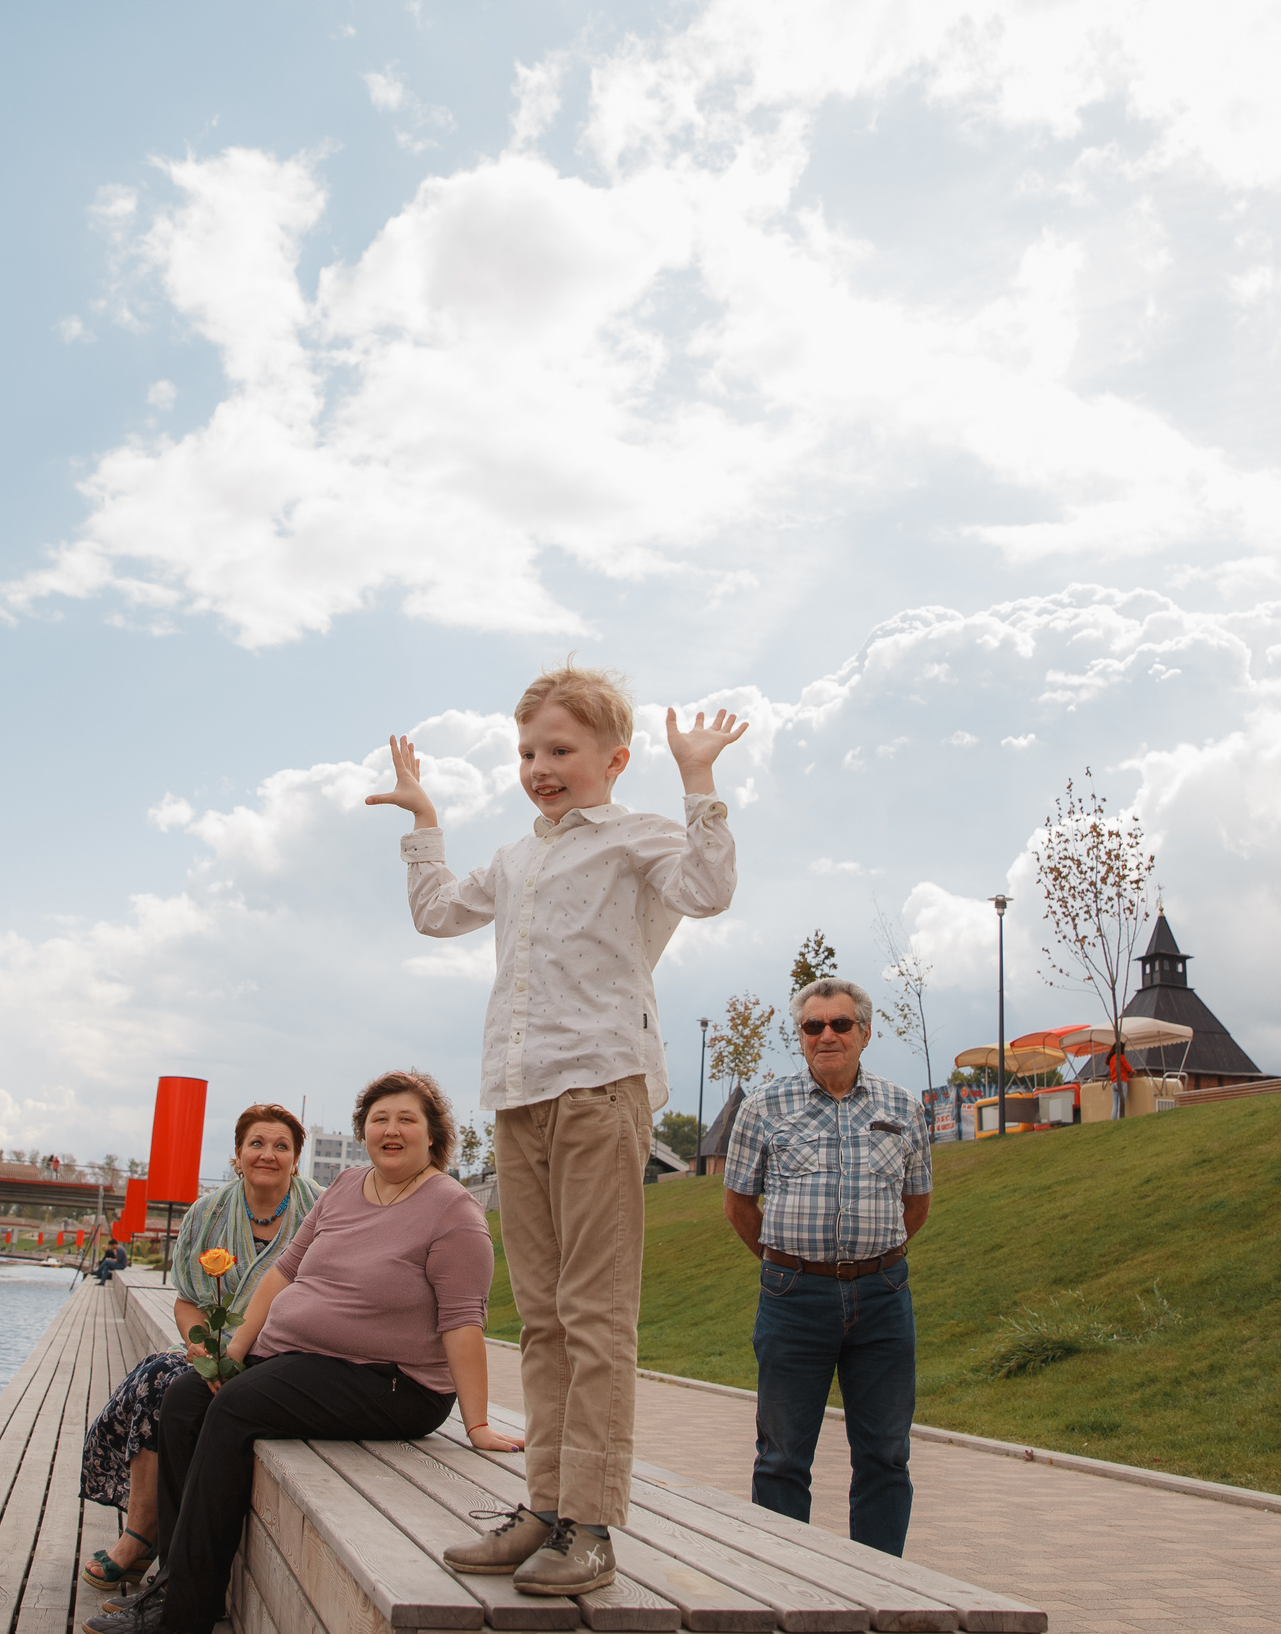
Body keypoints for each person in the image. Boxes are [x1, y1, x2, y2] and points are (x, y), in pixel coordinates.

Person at [368, 666, 744, 1594]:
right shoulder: (517, 857)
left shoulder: (637, 836)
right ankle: (542, 1510)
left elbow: (708, 888)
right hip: (520, 1093)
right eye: (530, 751)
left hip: (600, 1087)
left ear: (614, 759)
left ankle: (593, 1526)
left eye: (562, 750)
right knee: (539, 1317)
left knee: (594, 1314)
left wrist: (699, 782)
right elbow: (436, 913)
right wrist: (424, 822)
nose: (541, 766)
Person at [89, 1071, 516, 1634]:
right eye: (379, 1119)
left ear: (434, 1136)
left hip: (393, 1383)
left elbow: (463, 1322)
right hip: (306, 1359)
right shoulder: (345, 1187)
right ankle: (173, 1581)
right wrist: (233, 1351)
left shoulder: (452, 1212)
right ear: (363, 1130)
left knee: (237, 1407)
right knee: (189, 1395)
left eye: (407, 1119)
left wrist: (477, 1422)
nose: (391, 1130)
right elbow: (283, 1273)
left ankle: (181, 1615)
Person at [720, 977, 932, 1556]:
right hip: (794, 1300)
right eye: (814, 1026)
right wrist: (785, 1263)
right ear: (802, 1037)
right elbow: (738, 1204)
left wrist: (871, 1258)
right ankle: (785, 1585)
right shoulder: (764, 1106)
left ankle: (880, 1586)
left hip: (883, 1299)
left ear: (865, 1032)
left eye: (841, 1024)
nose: (827, 1035)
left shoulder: (904, 1107)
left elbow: (916, 1203)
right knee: (783, 1455)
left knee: (886, 1454)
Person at [75, 1104, 318, 1592]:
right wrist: (201, 1352)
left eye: (281, 1146)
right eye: (256, 1144)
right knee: (158, 1379)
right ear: (236, 1155)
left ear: (296, 1159)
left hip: (286, 1353)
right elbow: (187, 1302)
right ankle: (144, 1533)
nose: (267, 1154)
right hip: (213, 1346)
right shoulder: (208, 1213)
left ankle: (146, 1540)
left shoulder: (323, 1211)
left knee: (166, 1384)